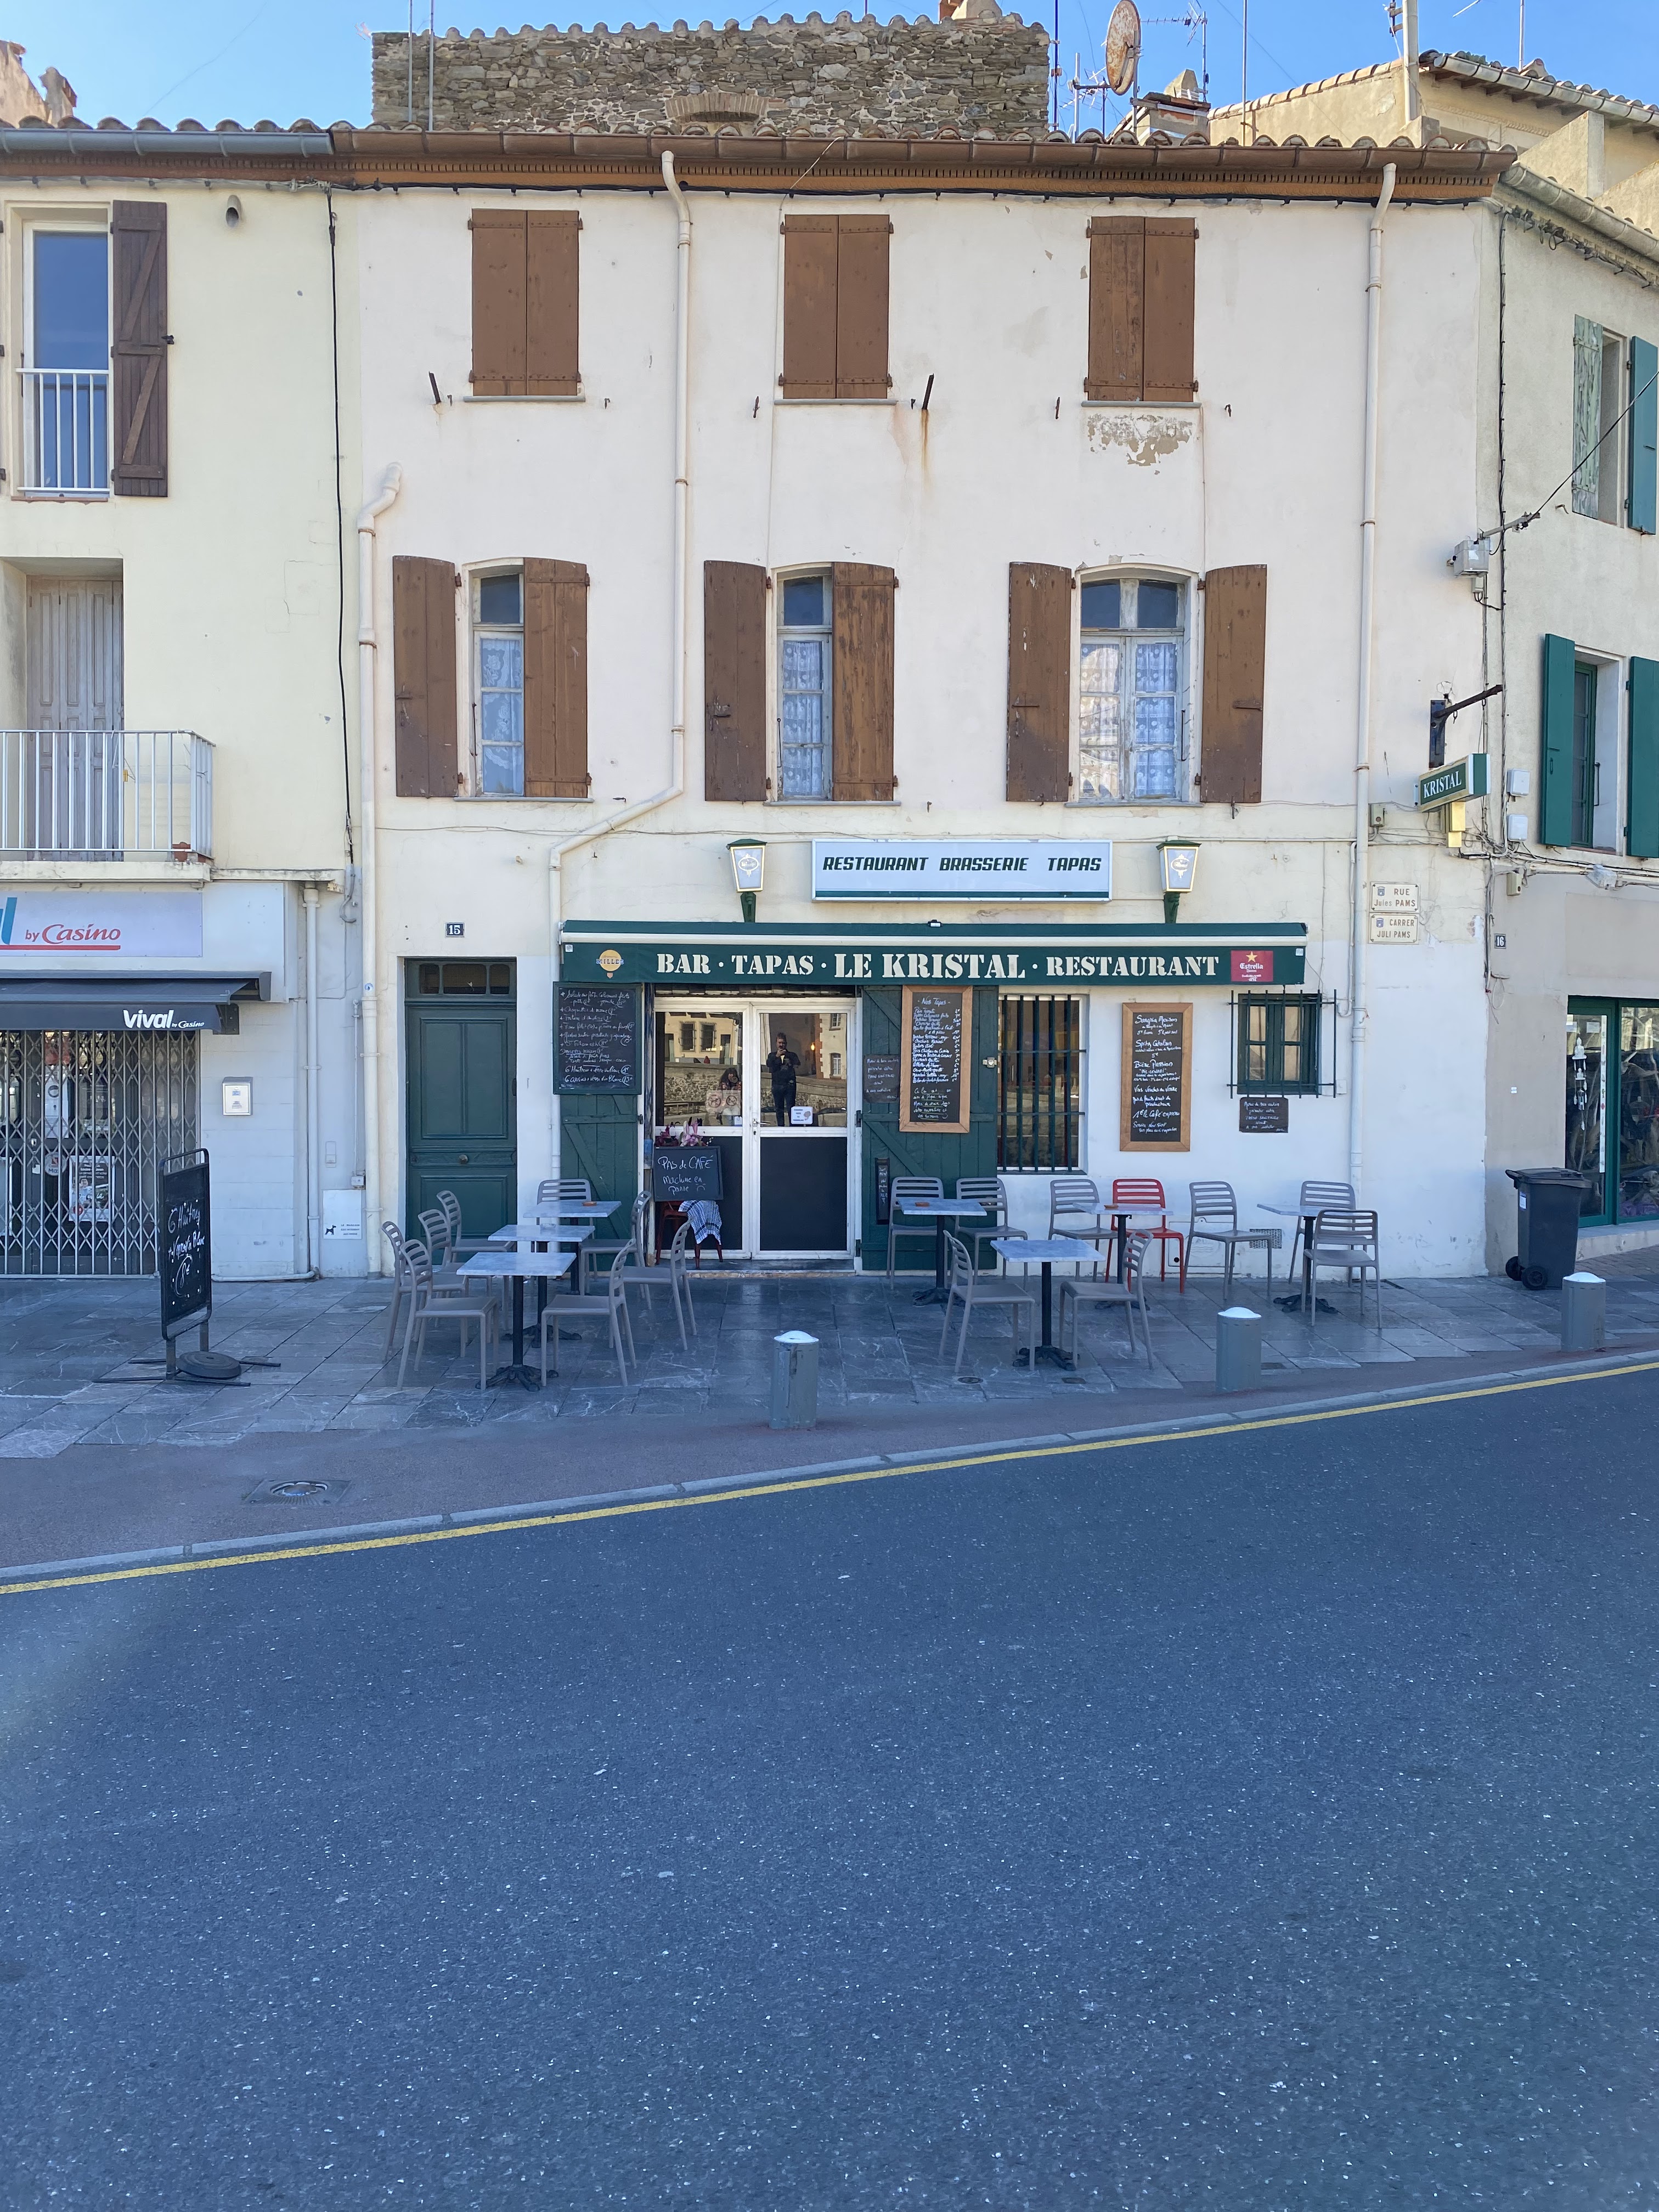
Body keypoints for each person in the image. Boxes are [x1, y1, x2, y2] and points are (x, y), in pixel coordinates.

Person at [765, 1033, 799, 1126]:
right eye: (779, 1043)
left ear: (786, 1044)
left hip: (789, 1086)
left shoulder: (792, 1055)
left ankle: (793, 1127)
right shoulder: (772, 1056)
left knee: (791, 1107)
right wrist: (777, 1056)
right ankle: (780, 1127)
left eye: (783, 1043)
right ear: (776, 1043)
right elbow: (768, 1064)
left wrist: (789, 1061)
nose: (781, 1045)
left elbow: (797, 1064)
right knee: (779, 1108)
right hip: (777, 1085)